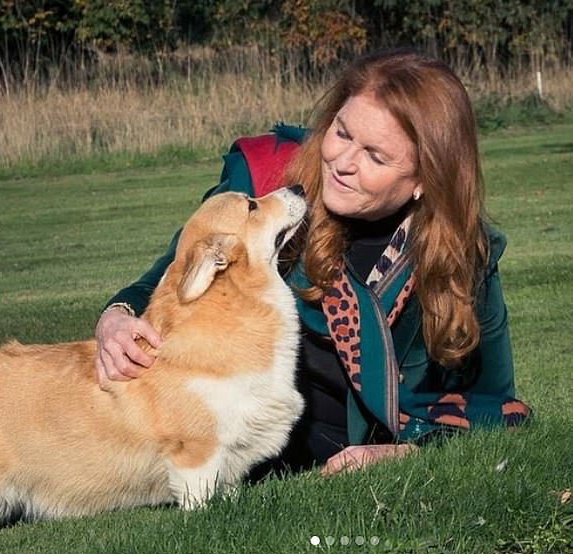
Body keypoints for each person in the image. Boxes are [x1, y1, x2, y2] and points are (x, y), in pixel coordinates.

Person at [94, 48, 530, 477]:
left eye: (375, 156)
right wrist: (117, 316)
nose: (342, 163)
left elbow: (497, 408)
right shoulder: (266, 186)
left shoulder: (465, 253)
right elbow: (173, 270)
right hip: (236, 447)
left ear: (423, 179)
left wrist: (407, 453)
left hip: (356, 454)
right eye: (341, 133)